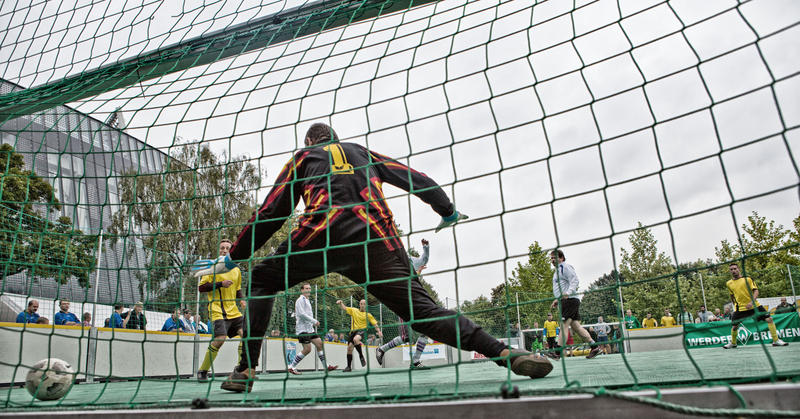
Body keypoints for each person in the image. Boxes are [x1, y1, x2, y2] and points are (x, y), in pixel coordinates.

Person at [192, 123, 551, 392]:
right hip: (375, 239)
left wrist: (234, 258)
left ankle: (246, 370)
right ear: (335, 138)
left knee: (263, 279)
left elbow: (272, 211)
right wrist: (448, 211)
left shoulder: (302, 158)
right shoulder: (364, 152)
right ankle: (505, 353)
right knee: (423, 315)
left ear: (309, 143)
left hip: (321, 234)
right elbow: (415, 178)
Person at [375, 239, 433, 369]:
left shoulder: (411, 260)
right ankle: (381, 349)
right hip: (402, 302)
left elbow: (424, 259)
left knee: (426, 331)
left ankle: (415, 361)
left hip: (415, 302)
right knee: (405, 337)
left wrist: (426, 247)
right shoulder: (392, 263)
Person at [196, 239, 247, 382]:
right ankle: (203, 370)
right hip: (217, 309)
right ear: (219, 251)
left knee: (246, 336)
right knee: (220, 340)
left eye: (227, 248)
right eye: (222, 248)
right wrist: (220, 284)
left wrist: (242, 299)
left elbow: (237, 289)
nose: (224, 250)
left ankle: (240, 370)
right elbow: (201, 288)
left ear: (231, 251)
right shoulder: (213, 266)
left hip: (234, 312)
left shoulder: (236, 269)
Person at [546, 250, 601, 361]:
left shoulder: (565, 267)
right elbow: (562, 287)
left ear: (561, 258)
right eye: (551, 258)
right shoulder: (557, 271)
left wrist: (568, 293)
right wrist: (558, 300)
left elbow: (574, 280)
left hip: (570, 300)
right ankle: (594, 347)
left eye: (554, 257)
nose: (552, 260)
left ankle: (557, 353)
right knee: (576, 327)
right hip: (566, 301)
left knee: (563, 325)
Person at [723, 263, 788, 349]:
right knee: (734, 327)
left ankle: (776, 340)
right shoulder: (729, 283)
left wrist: (751, 302)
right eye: (731, 269)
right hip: (740, 309)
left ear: (739, 269)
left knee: (769, 319)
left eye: (735, 269)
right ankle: (733, 343)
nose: (733, 271)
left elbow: (756, 291)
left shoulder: (748, 279)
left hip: (754, 306)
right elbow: (732, 295)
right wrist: (735, 304)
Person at [287, 283, 338, 375]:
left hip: (310, 329)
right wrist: (314, 321)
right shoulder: (300, 300)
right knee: (307, 349)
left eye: (309, 288)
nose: (308, 290)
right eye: (306, 288)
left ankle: (326, 367)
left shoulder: (307, 300)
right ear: (302, 290)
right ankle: (291, 366)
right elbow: (302, 314)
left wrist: (312, 323)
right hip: (302, 330)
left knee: (319, 344)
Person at [337, 299, 382, 372]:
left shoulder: (368, 315)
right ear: (359, 304)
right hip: (353, 331)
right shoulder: (354, 310)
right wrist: (341, 303)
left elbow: (375, 324)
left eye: (364, 304)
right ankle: (348, 367)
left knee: (356, 339)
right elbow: (344, 308)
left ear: (366, 305)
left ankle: (361, 356)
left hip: (362, 331)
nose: (363, 305)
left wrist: (379, 331)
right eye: (361, 304)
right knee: (349, 349)